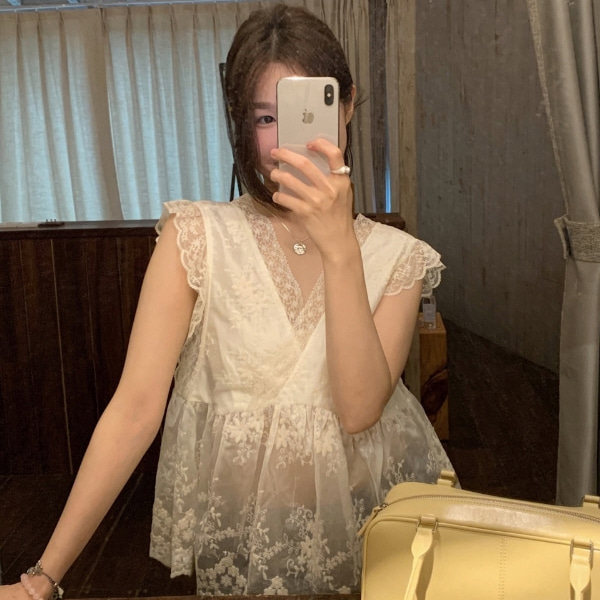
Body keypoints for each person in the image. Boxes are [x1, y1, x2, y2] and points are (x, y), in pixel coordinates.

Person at [0, 3, 453, 598]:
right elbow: (134, 410)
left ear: (345, 106)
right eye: (265, 117)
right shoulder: (196, 238)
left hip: (373, 531)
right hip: (244, 544)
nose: (285, 141)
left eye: (306, 111)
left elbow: (359, 409)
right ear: (241, 122)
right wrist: (42, 578)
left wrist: (341, 249)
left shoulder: (398, 256)